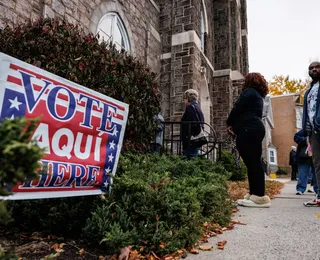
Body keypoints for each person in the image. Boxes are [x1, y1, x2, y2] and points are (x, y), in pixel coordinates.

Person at [227, 72, 270, 208]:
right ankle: (254, 194)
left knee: (253, 164)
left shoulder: (249, 92)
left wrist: (230, 122)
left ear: (250, 81)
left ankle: (258, 196)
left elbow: (237, 108)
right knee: (253, 163)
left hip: (248, 129)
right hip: (255, 128)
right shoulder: (258, 95)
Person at [302, 61, 320, 206]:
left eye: (317, 67)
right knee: (317, 164)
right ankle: (319, 196)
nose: (314, 69)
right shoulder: (309, 91)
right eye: (311, 68)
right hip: (313, 131)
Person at [181, 89, 204, 158]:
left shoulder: (190, 107)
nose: (184, 100)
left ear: (188, 98)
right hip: (196, 138)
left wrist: (188, 136)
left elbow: (189, 123)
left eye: (185, 98)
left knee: (189, 159)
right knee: (193, 158)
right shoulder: (198, 107)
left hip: (191, 140)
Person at [294, 129, 318, 195]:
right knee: (302, 173)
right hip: (304, 156)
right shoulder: (305, 130)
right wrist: (306, 140)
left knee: (317, 174)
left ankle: (318, 190)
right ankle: (300, 189)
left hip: (316, 155)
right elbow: (296, 137)